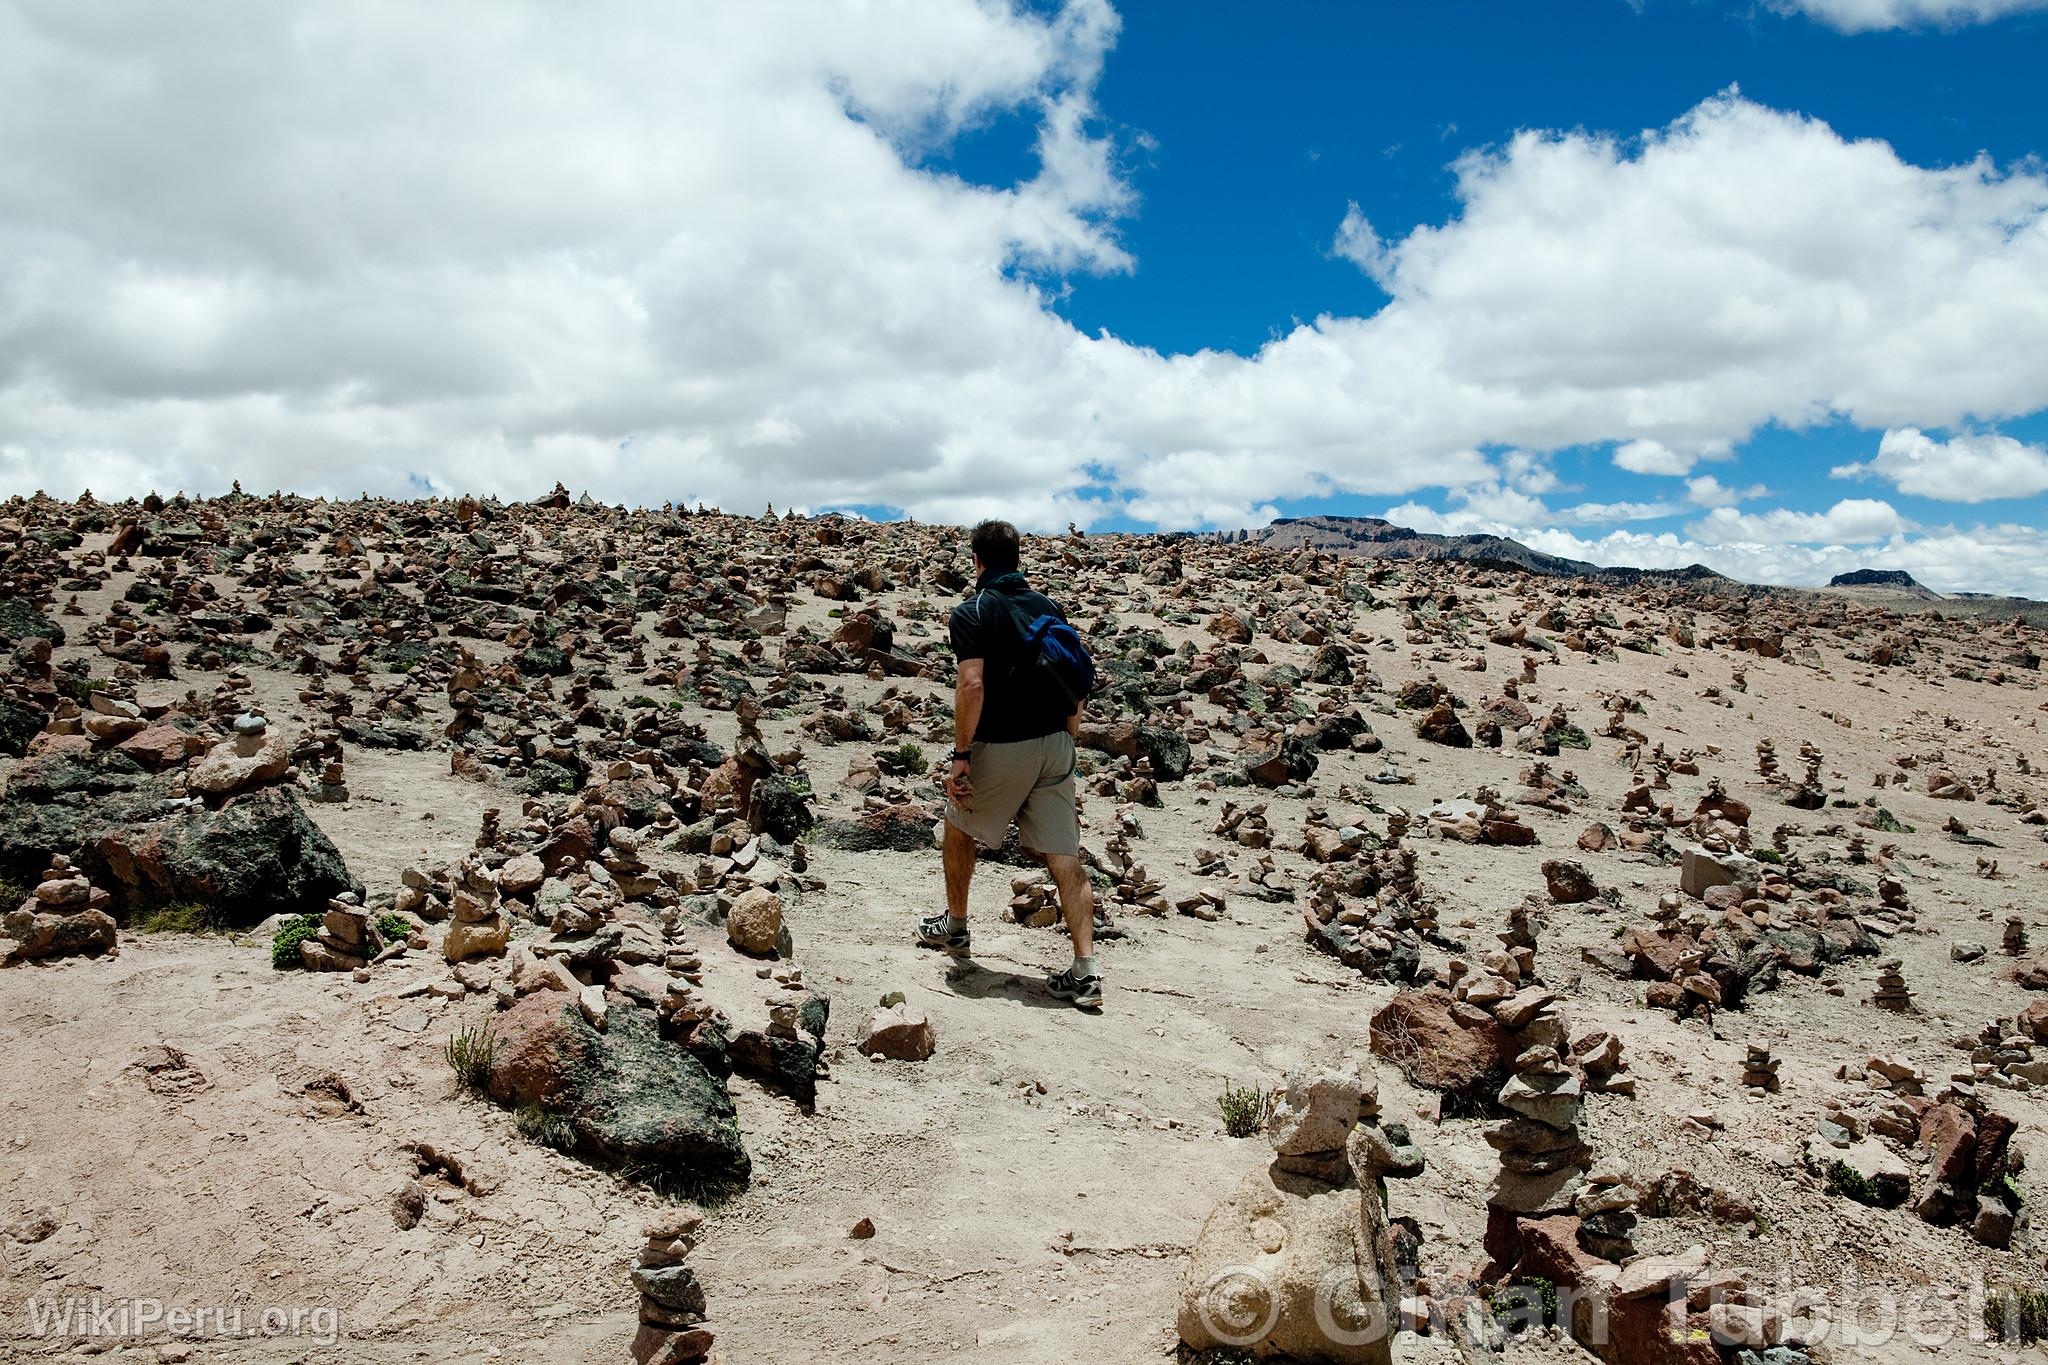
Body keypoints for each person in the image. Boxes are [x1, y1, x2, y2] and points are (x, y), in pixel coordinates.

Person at [915, 519, 1102, 1009]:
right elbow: (1074, 675)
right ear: (1017, 557)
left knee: (959, 826)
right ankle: (1085, 970)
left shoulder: (972, 611)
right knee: (1065, 855)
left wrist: (961, 756)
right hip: (1056, 743)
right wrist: (1070, 736)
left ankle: (955, 929)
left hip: (1003, 744)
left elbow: (972, 685)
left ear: (976, 560)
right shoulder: (1048, 607)